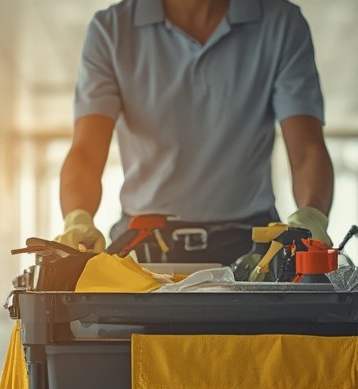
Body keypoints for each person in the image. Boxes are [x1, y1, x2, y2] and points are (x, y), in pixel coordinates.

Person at [57, 0, 334, 265]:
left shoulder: (281, 24)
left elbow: (307, 149)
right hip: (142, 247)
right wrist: (78, 218)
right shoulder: (111, 30)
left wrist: (311, 214)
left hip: (252, 250)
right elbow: (86, 152)